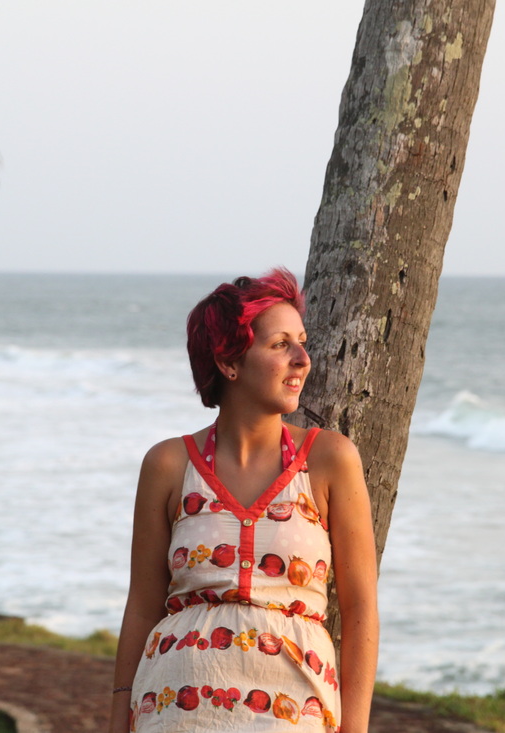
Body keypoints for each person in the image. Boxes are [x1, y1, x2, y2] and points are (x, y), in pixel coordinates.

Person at [108, 268, 379, 732]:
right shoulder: (169, 464)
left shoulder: (330, 459)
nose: (302, 359)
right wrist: (118, 720)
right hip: (174, 709)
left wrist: (354, 728)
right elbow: (142, 605)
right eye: (280, 345)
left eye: (302, 342)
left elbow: (360, 609)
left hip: (294, 711)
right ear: (229, 362)